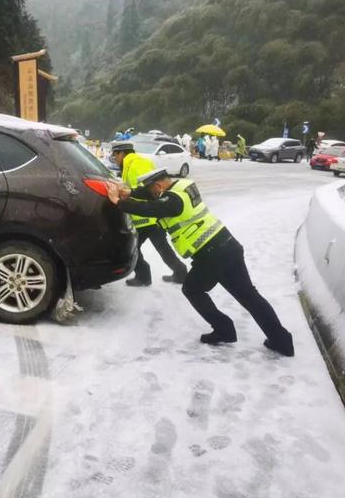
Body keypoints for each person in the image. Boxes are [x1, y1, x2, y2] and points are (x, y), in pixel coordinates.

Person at [106, 168, 295, 357]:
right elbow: (154, 198)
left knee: (192, 289)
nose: (151, 194)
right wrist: (131, 192)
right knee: (249, 296)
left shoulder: (173, 201)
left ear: (158, 185)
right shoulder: (183, 186)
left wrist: (119, 201)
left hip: (212, 254)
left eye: (151, 190)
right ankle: (282, 340)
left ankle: (225, 330)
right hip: (228, 246)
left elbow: (151, 208)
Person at [111, 144, 188, 286]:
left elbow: (150, 191)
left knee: (133, 249)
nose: (114, 159)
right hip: (150, 217)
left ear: (121, 153)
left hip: (146, 217)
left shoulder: (135, 164)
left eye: (115, 155)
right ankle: (180, 272)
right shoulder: (134, 162)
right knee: (162, 247)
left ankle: (144, 276)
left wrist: (125, 197)